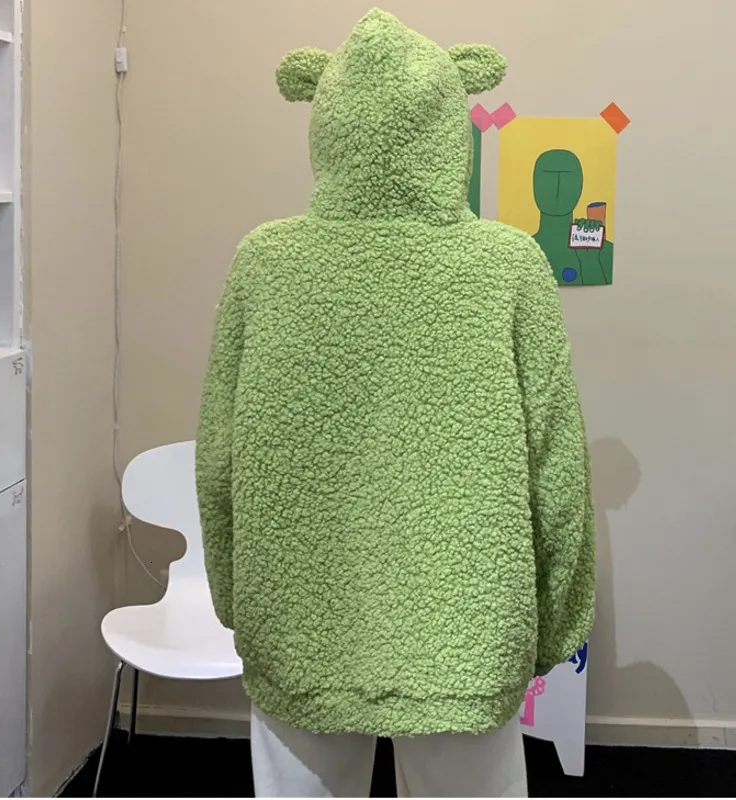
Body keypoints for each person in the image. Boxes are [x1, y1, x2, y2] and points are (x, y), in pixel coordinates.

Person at [196, 8, 595, 797]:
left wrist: (241, 602)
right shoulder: (508, 266)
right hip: (466, 632)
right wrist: (552, 625)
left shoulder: (264, 263)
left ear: (325, 124)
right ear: (452, 123)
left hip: (298, 624)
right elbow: (557, 466)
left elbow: (219, 461)